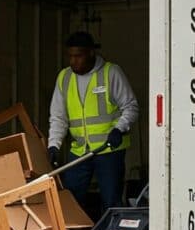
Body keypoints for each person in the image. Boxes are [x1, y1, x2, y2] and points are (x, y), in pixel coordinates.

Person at [47, 30, 139, 213]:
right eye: (70, 56)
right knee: (70, 201)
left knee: (111, 201)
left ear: (91, 53)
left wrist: (119, 129)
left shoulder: (110, 73)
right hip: (80, 151)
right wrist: (54, 145)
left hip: (109, 150)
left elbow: (131, 106)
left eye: (78, 56)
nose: (73, 61)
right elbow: (58, 117)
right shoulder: (64, 78)